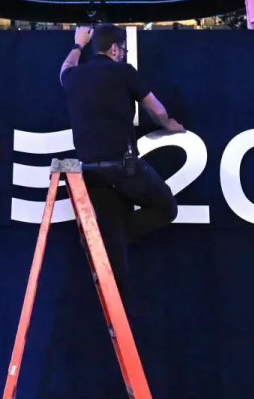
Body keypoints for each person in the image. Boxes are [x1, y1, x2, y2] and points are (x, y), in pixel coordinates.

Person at [59, 24, 183, 294]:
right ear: (114, 48)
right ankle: (113, 238)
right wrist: (172, 124)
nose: (123, 54)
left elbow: (63, 70)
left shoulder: (74, 76)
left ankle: (108, 241)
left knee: (114, 255)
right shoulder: (124, 72)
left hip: (89, 171)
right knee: (167, 208)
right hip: (124, 169)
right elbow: (156, 109)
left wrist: (79, 44)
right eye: (123, 49)